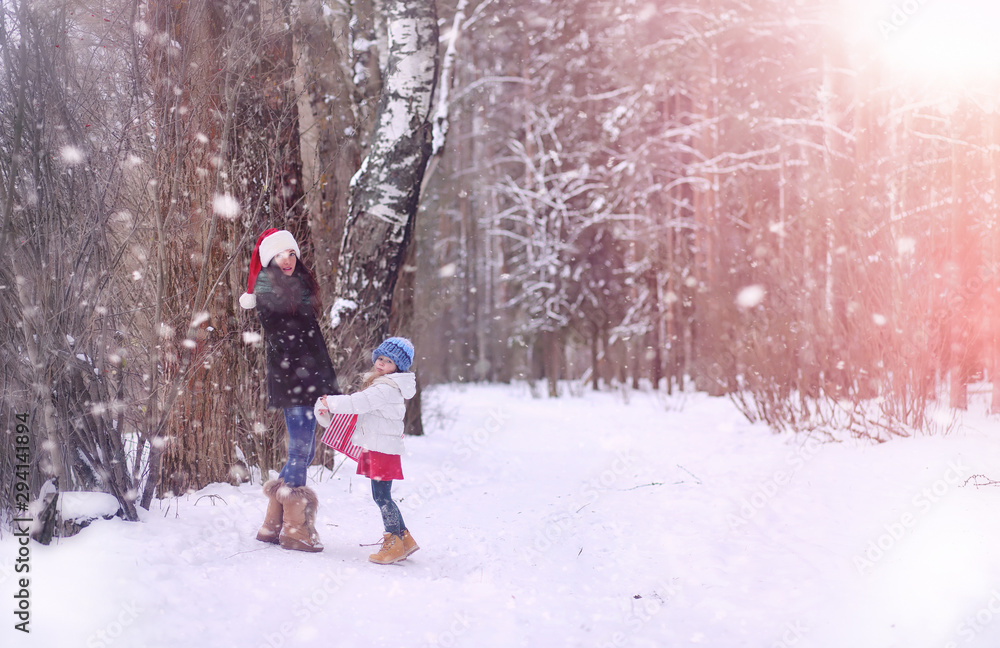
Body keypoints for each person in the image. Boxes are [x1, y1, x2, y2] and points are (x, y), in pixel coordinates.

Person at [239, 228, 339, 553]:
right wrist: (306, 372)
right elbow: (284, 338)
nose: (288, 260)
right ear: (270, 259)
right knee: (300, 451)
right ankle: (295, 529)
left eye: (292, 254)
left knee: (306, 452)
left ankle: (272, 524)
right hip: (294, 379)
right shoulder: (269, 288)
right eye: (281, 255)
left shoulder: (299, 288)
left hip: (307, 378)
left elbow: (310, 338)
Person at [314, 337, 418, 565]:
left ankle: (394, 541)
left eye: (388, 361)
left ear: (397, 367)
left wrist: (328, 402)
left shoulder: (386, 388)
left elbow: (356, 403)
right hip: (380, 446)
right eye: (380, 358)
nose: (381, 363)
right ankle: (403, 538)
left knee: (381, 497)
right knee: (383, 495)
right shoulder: (387, 385)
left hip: (382, 449)